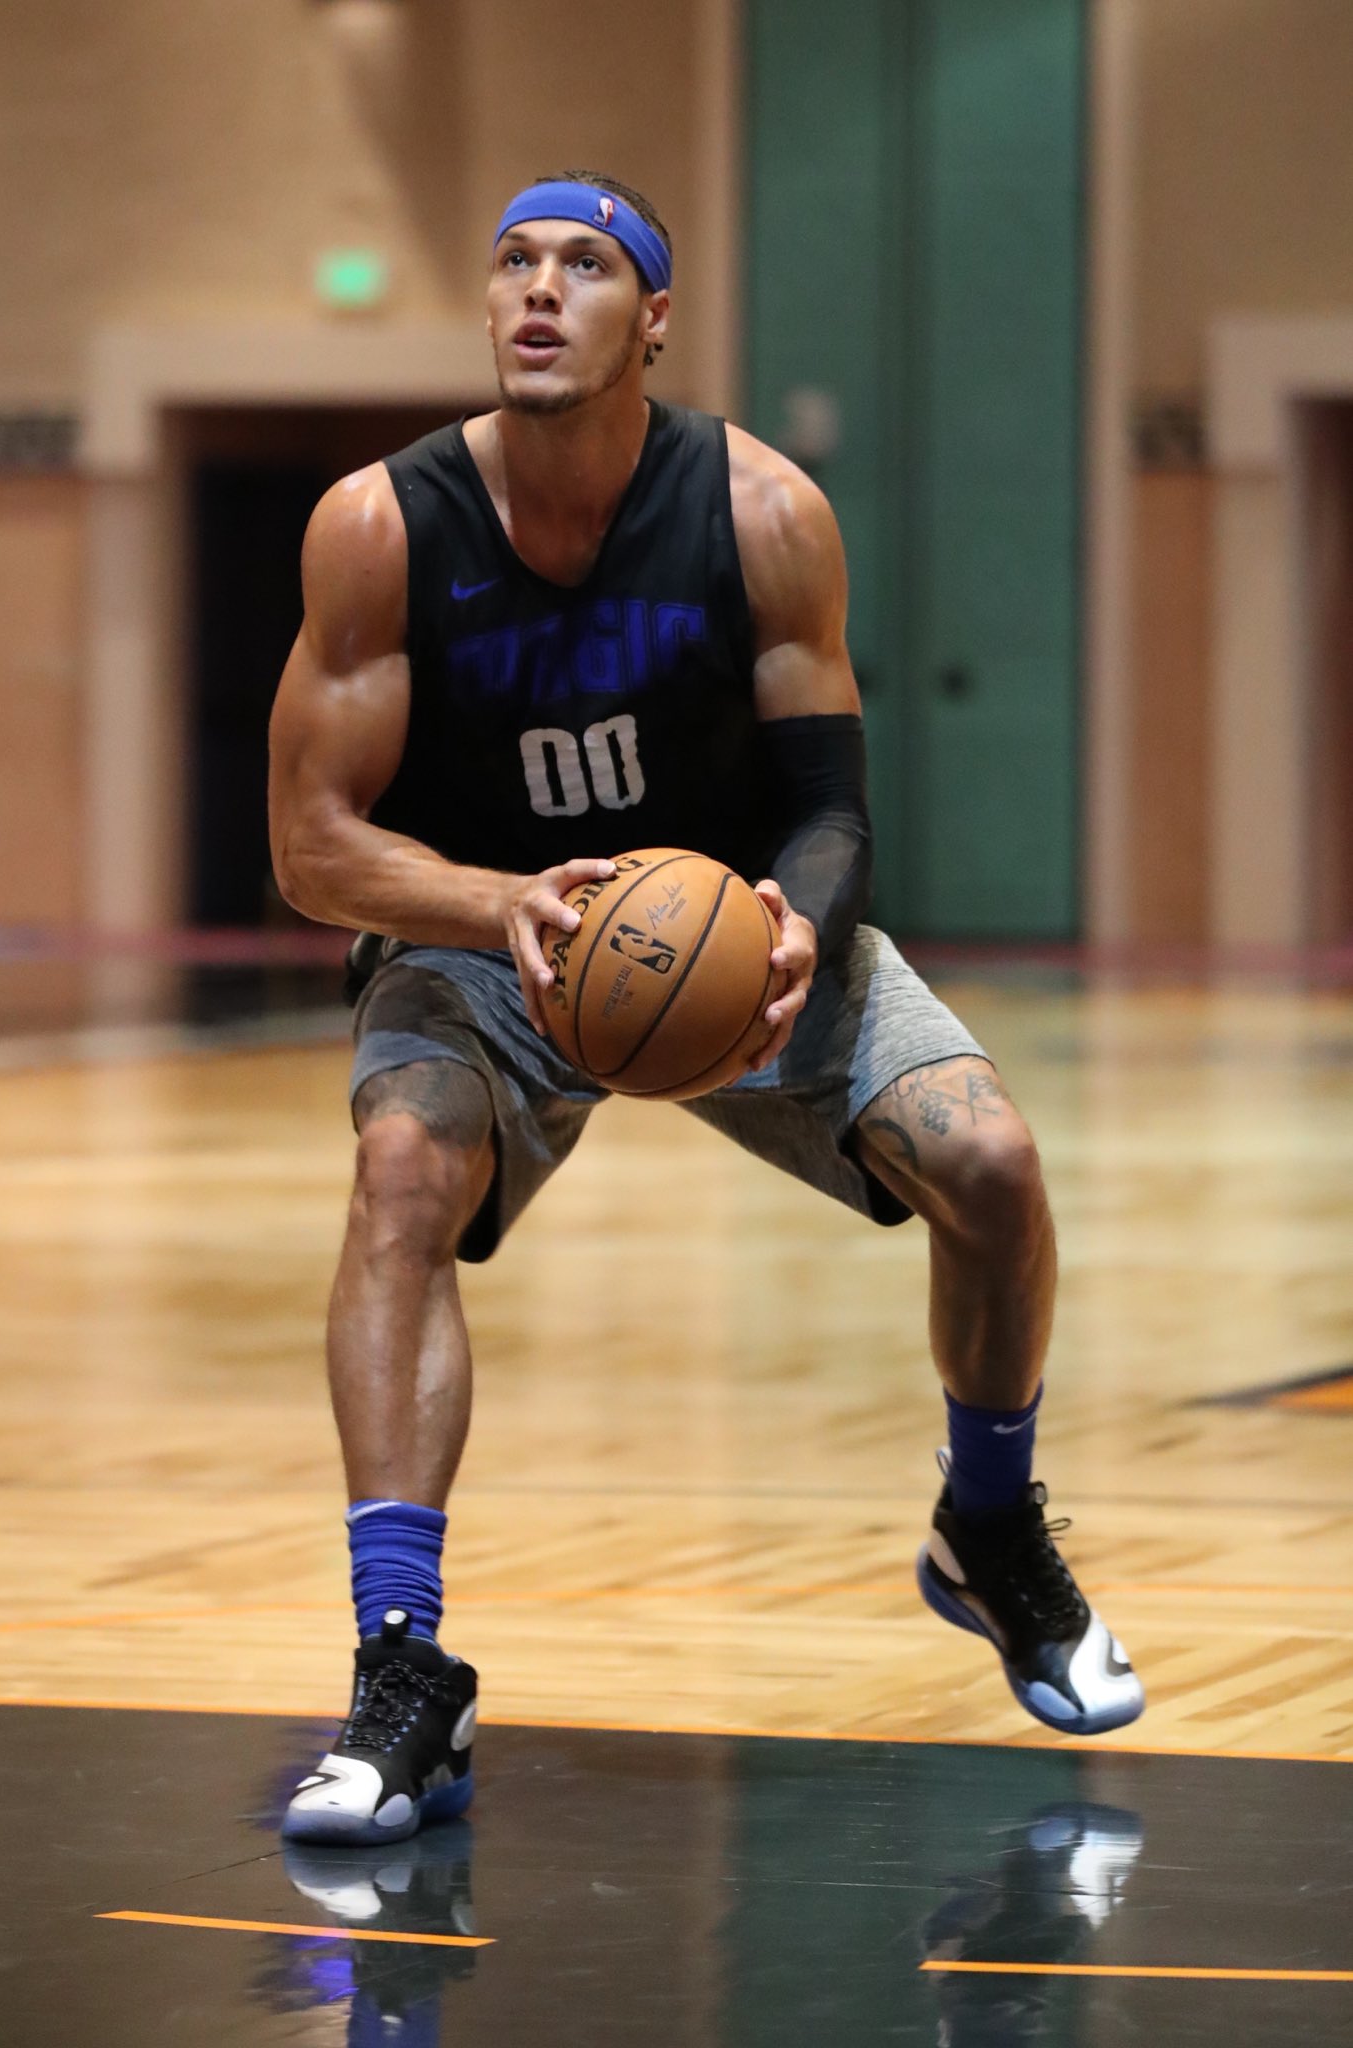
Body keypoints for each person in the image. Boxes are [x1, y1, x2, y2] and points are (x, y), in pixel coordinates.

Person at [266, 173, 1143, 1846]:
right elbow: (313, 849)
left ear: (654, 318)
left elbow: (832, 810)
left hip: (727, 929)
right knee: (400, 1176)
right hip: (485, 936)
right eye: (513, 262)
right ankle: (401, 1664)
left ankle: (987, 1525)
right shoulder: (380, 525)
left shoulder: (762, 512)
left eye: (585, 266)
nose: (539, 291)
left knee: (992, 1162)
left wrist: (797, 926)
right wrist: (497, 904)